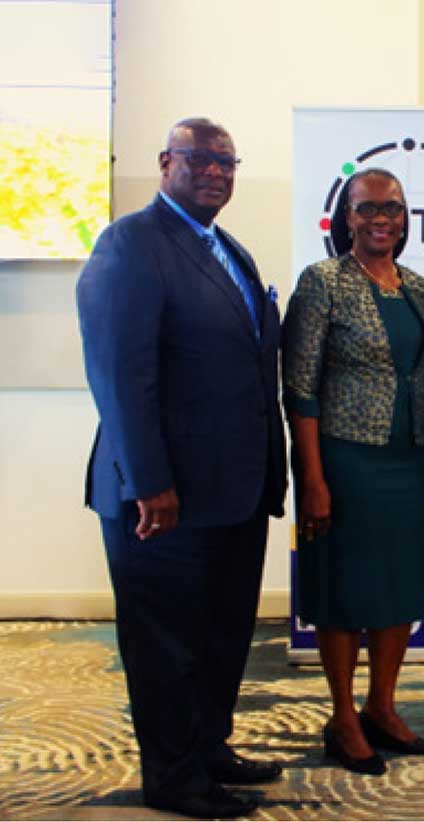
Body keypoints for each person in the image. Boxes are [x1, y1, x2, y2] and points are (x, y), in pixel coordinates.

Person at [76, 118, 286, 819]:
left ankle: (208, 746)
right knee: (166, 646)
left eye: (227, 161)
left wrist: (271, 477)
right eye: (200, 159)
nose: (216, 172)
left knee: (224, 635)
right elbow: (119, 375)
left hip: (233, 494)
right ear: (165, 161)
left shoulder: (231, 250)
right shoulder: (131, 243)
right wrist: (148, 481)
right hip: (163, 498)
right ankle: (173, 778)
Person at [282, 168, 424, 775]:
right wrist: (314, 480)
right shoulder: (322, 283)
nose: (381, 218)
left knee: (397, 588)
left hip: (409, 460)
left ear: (407, 218)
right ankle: (343, 716)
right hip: (345, 460)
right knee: (344, 591)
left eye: (393, 209)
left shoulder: (420, 287)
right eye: (367, 208)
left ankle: (382, 706)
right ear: (345, 217)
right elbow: (299, 390)